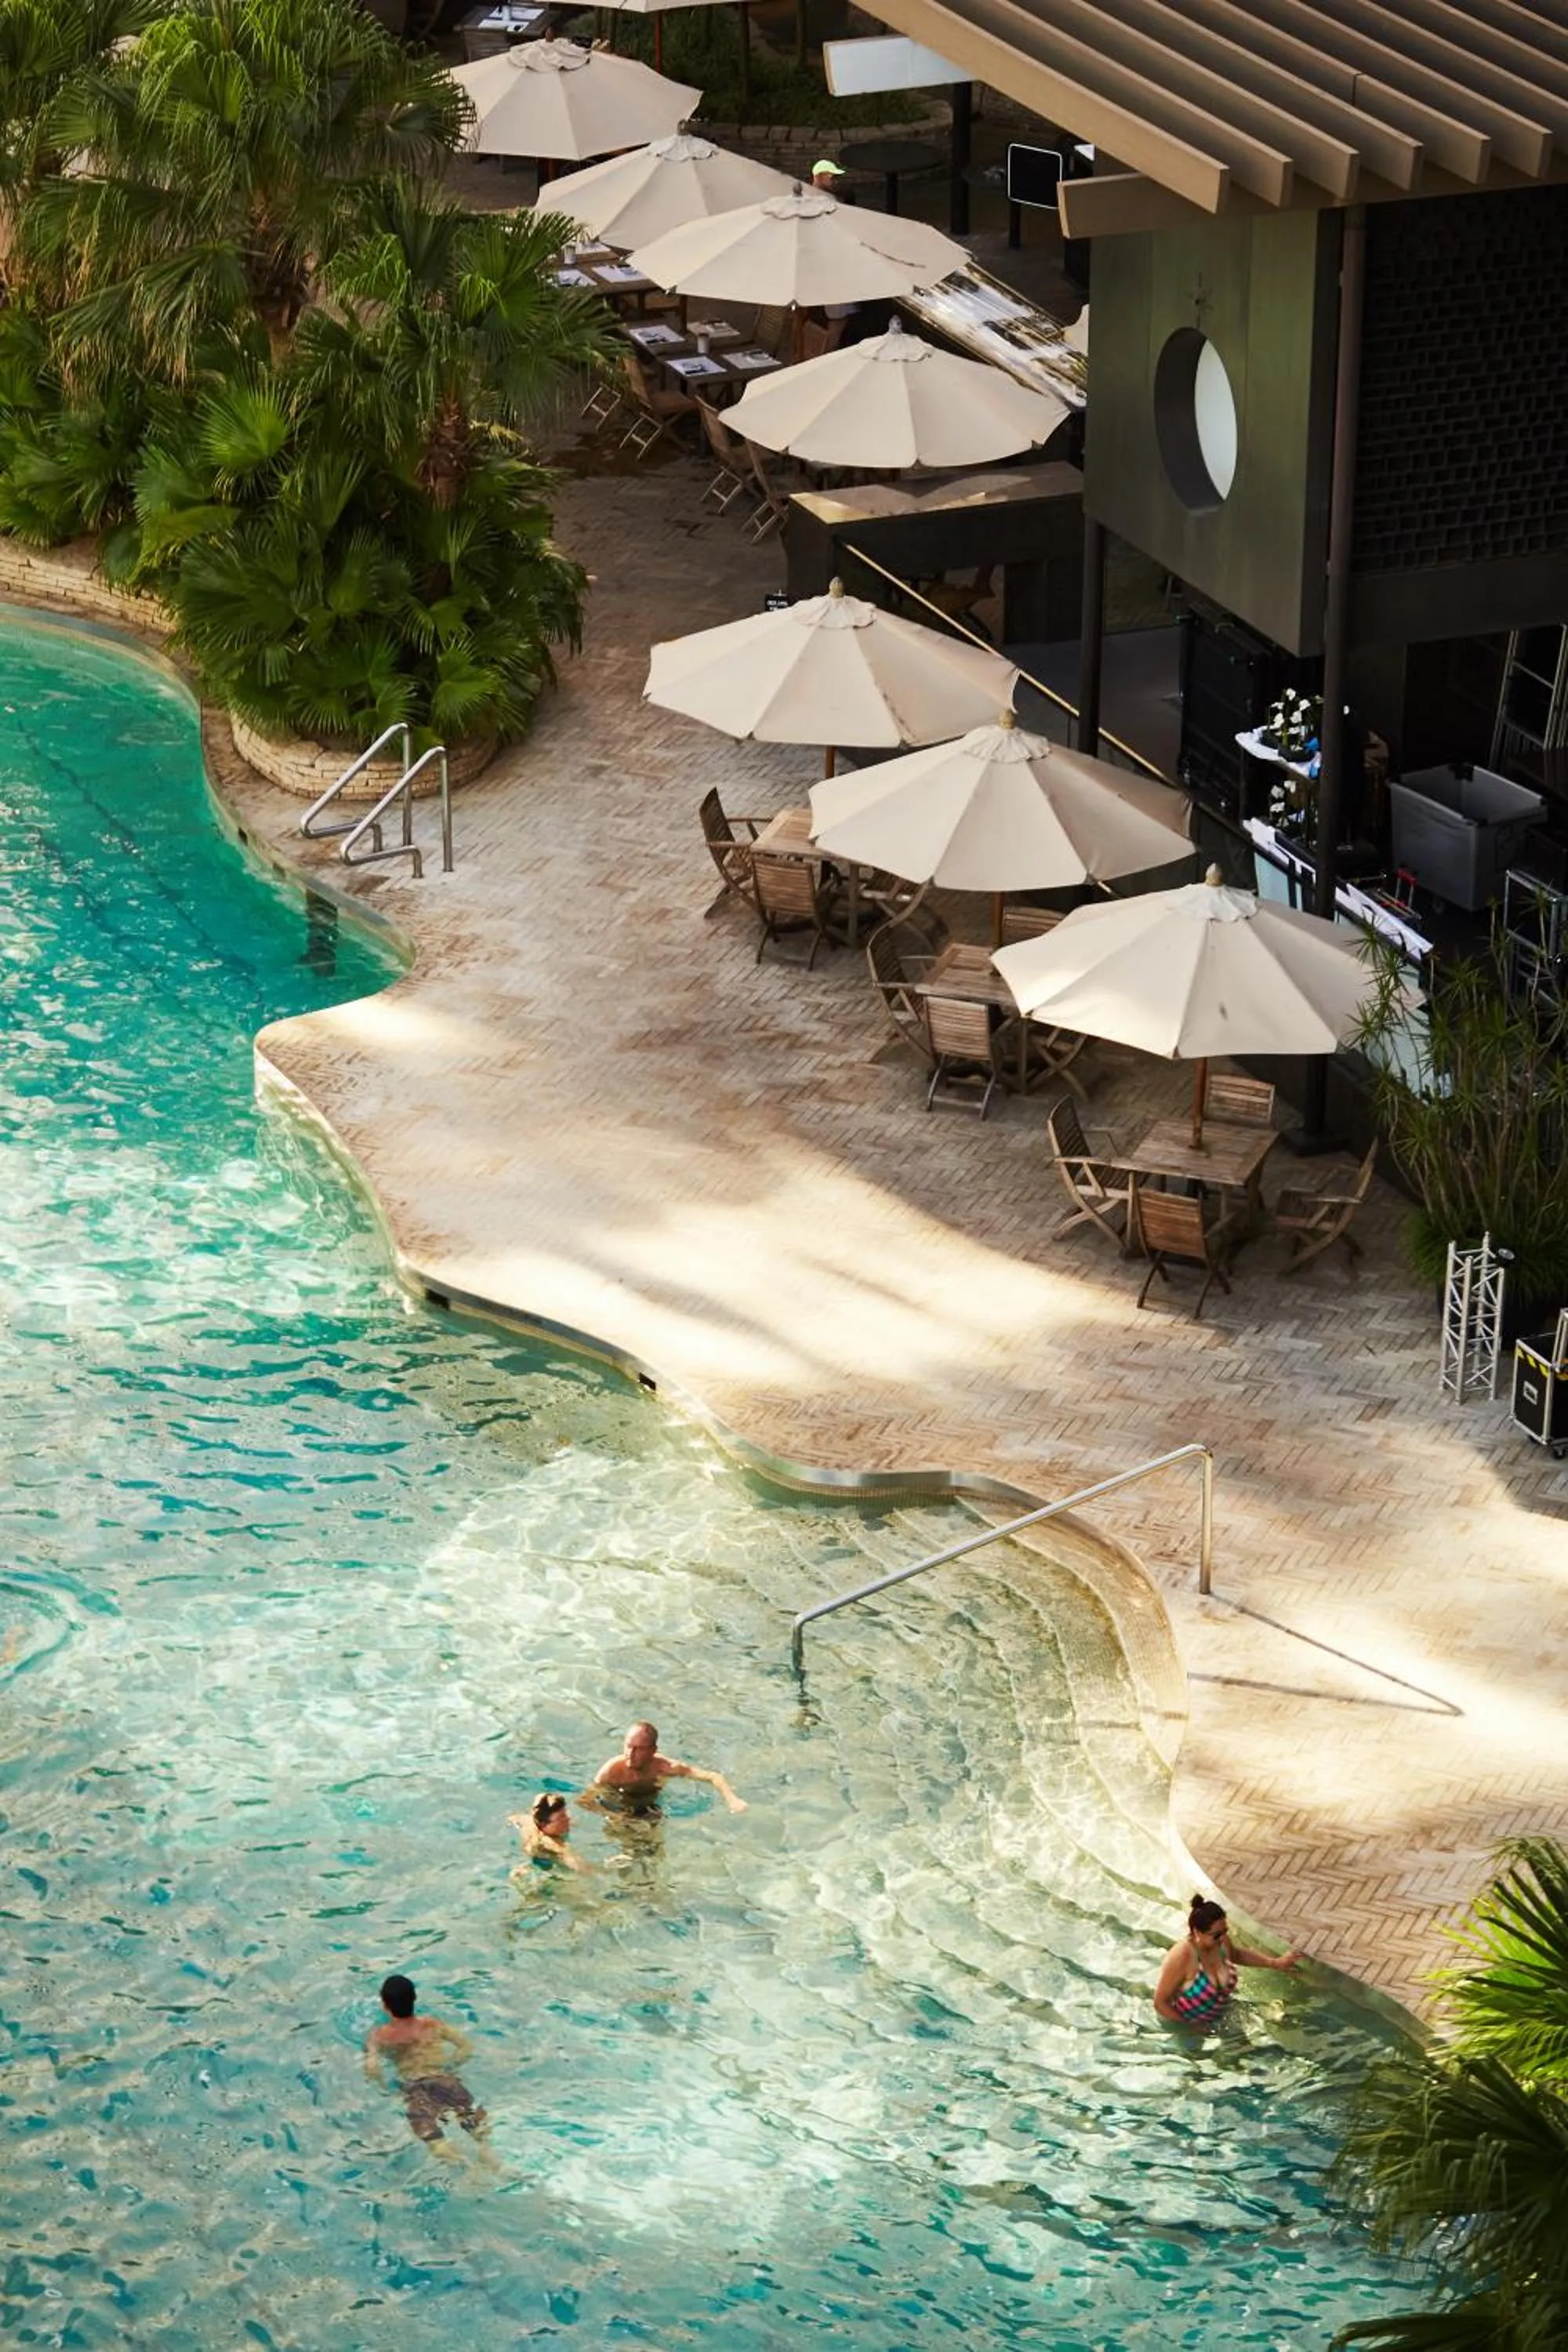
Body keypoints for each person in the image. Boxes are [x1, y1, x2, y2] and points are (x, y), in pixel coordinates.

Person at [365, 1973, 490, 2158]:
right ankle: (493, 2162)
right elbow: (466, 2047)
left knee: (435, 2141)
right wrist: (451, 2068)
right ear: (415, 1998)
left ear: (384, 2005)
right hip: (446, 2080)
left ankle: (465, 2169)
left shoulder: (379, 2036)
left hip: (417, 2089)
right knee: (478, 2131)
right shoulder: (432, 2024)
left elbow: (372, 2068)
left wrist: (386, 2090)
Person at [1153, 1896, 1301, 2027]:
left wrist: (1275, 1963)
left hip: (1222, 2013)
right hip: (1188, 2027)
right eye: (1216, 1935)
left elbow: (1237, 1955)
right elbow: (1160, 2003)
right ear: (1197, 1932)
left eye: (1225, 1931)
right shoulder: (1182, 1956)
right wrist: (1191, 2027)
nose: (1223, 1938)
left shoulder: (1220, 1942)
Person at [587, 1719, 747, 1814]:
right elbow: (585, 1800)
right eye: (628, 1746)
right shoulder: (612, 1771)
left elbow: (713, 1777)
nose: (631, 1753)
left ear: (653, 1751)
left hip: (650, 1807)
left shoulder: (665, 1767)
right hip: (618, 1808)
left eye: (639, 1749)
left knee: (654, 1847)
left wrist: (732, 1800)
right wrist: (613, 1816)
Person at [509, 1789, 593, 1878]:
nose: (568, 1819)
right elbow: (569, 1857)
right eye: (561, 1818)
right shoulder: (551, 1841)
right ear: (544, 1824)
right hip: (540, 1863)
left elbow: (514, 1818)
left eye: (565, 1814)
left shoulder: (529, 1820)